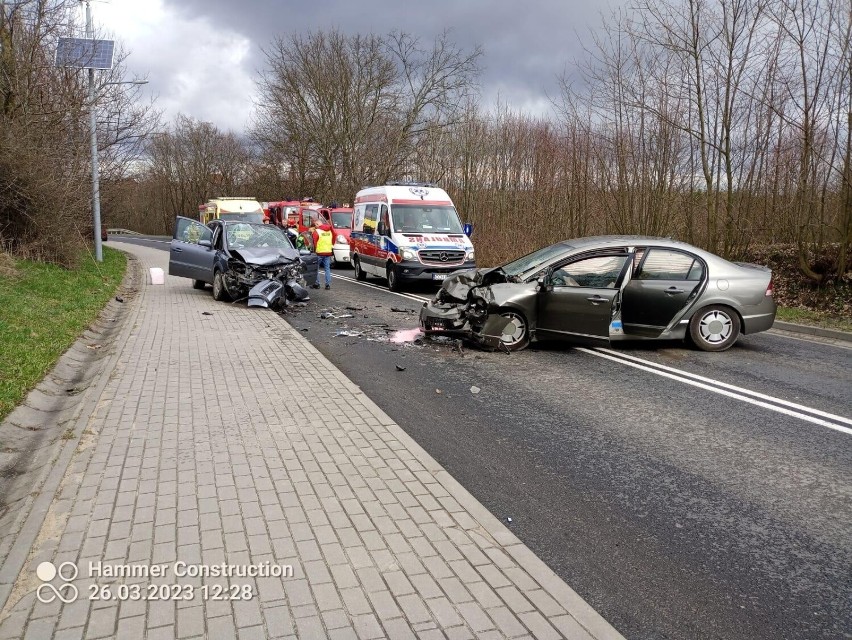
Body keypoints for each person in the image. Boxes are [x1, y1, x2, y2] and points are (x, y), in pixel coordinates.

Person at [311, 220, 334, 289]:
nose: (315, 226)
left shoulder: (317, 231)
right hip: (328, 252)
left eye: (315, 225)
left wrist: (314, 251)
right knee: (327, 269)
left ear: (318, 224)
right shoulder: (330, 231)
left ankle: (317, 284)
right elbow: (332, 240)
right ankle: (327, 285)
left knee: (316, 268)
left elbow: (314, 243)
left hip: (320, 252)